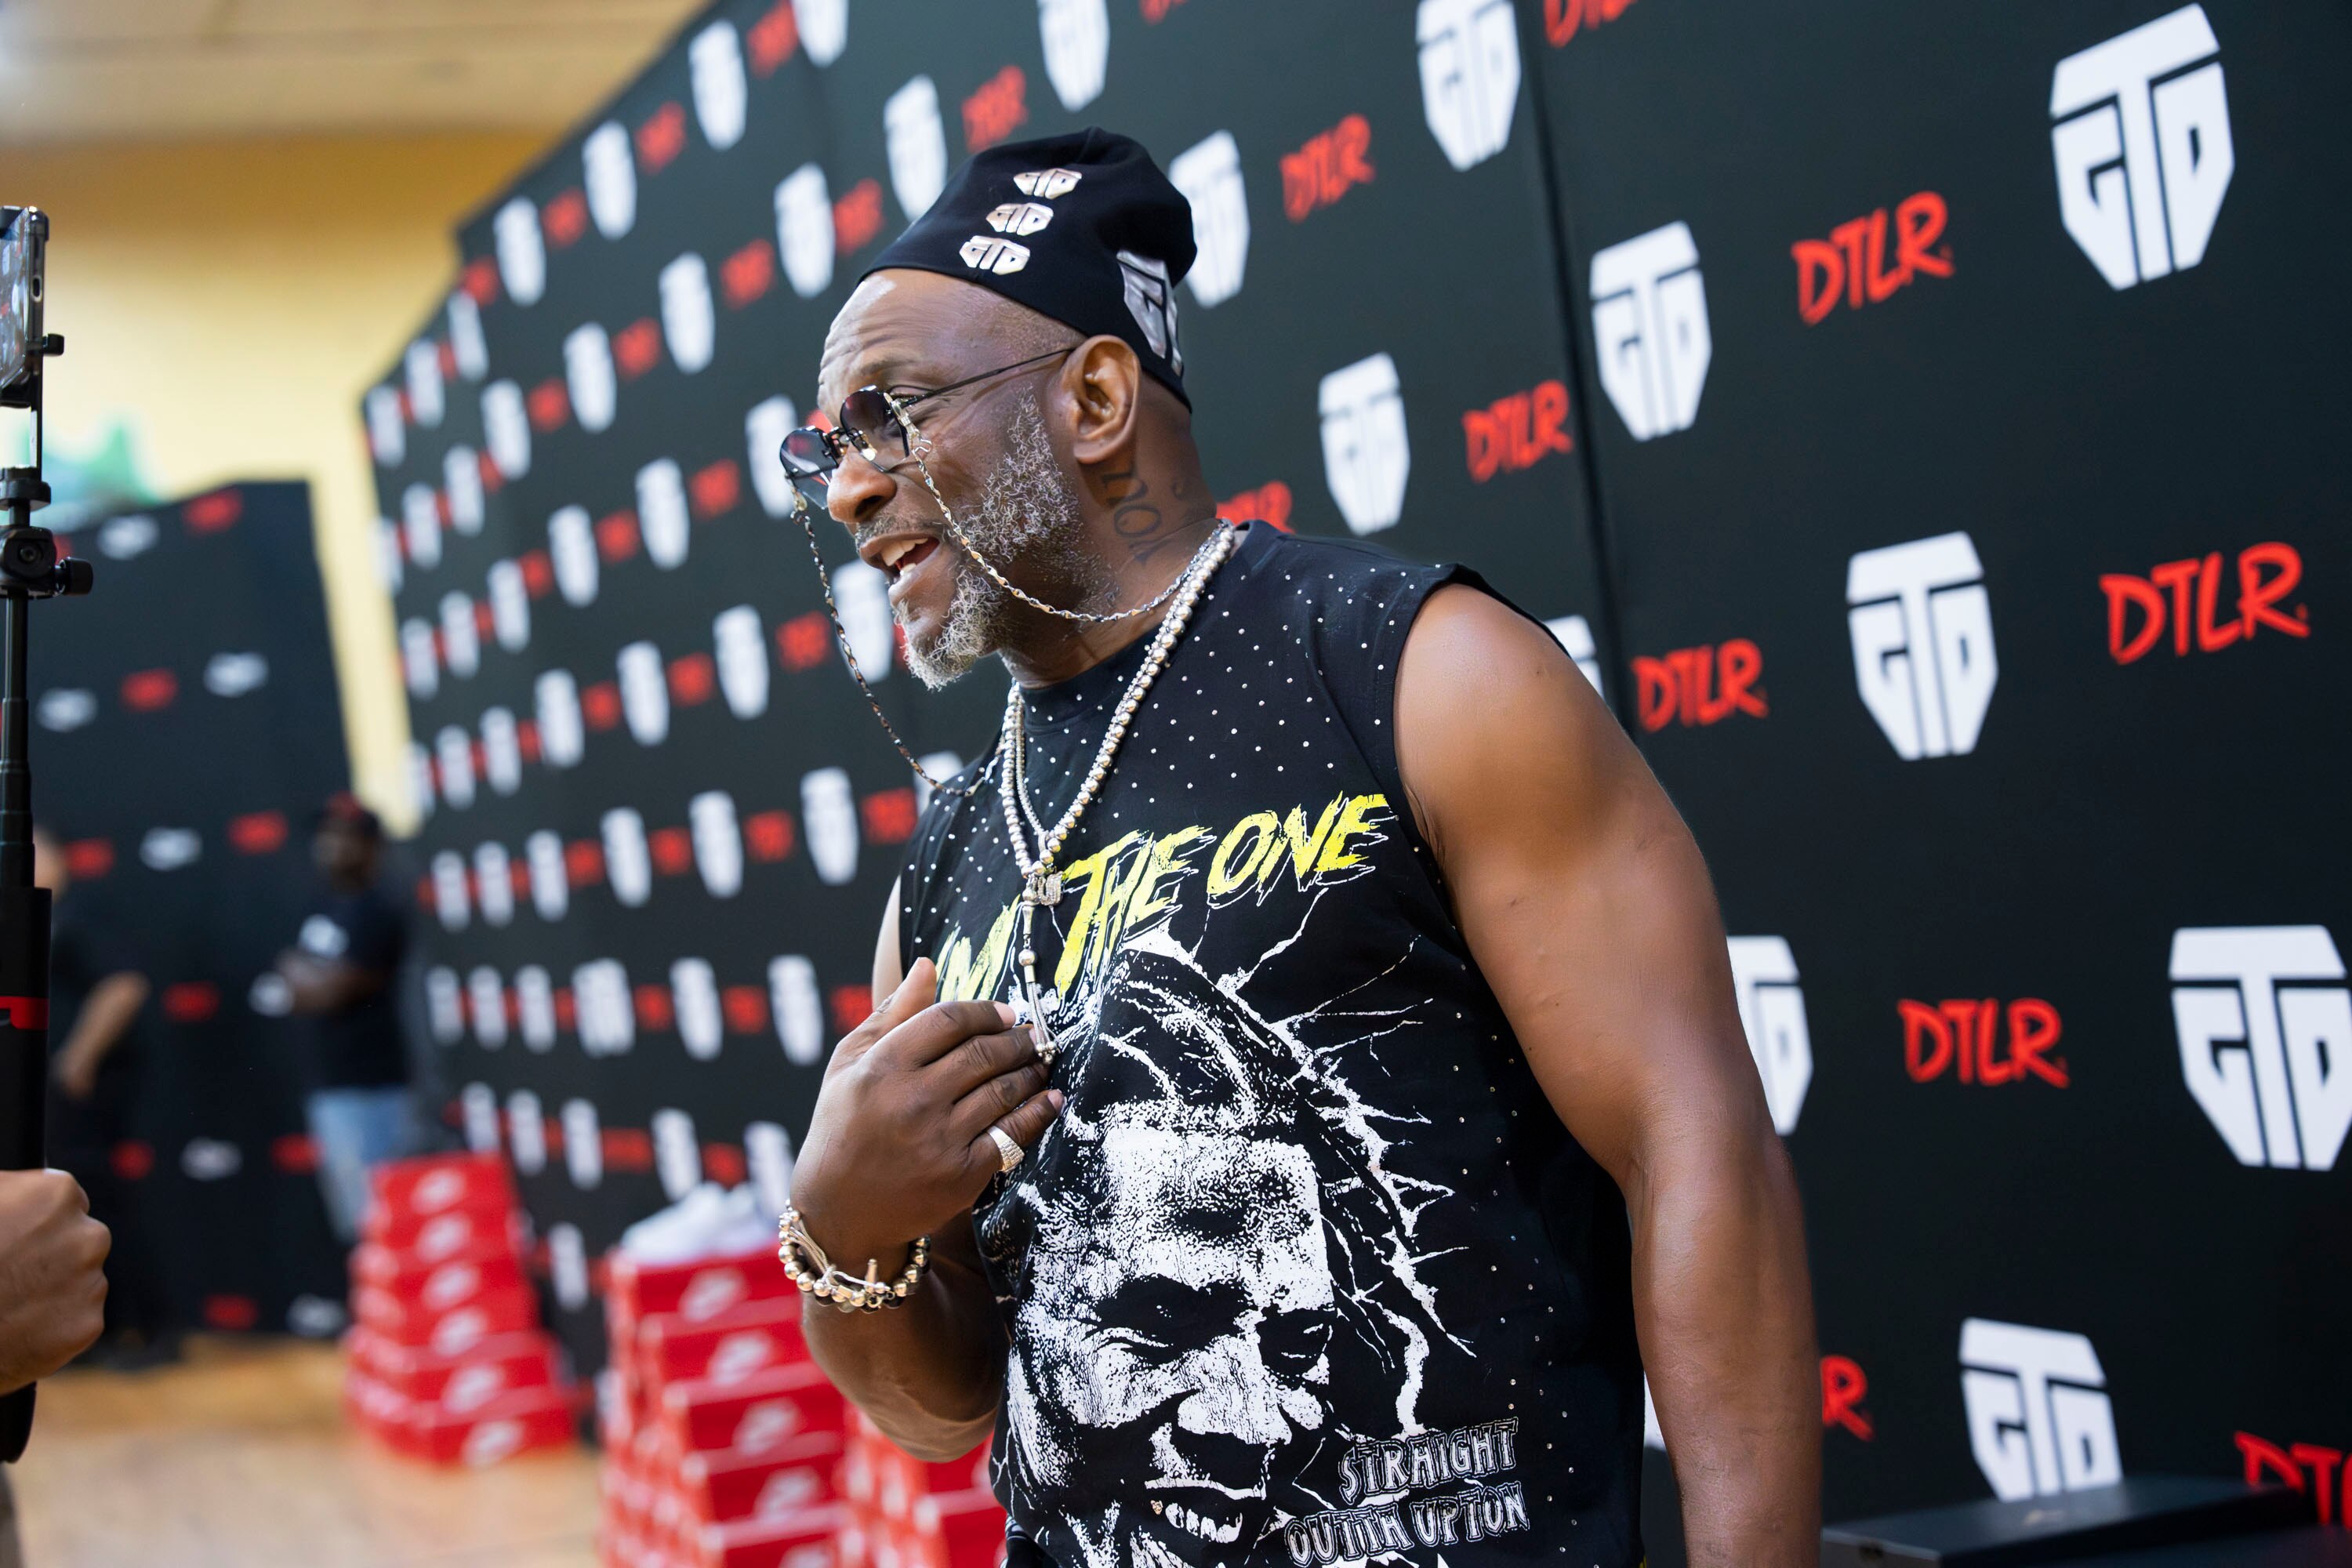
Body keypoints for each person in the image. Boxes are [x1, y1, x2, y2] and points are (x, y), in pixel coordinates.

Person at [781, 130, 1818, 1567]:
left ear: (1094, 398)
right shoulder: (951, 861)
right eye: (826, 447)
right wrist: (846, 1238)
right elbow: (947, 1411)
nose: (848, 488)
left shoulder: (1417, 675)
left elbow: (1691, 1145)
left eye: (892, 415)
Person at [32, 825, 163, 1363]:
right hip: (53, 1097)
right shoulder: (42, 921)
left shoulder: (80, 915)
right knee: (68, 1210)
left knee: (98, 1207)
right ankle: (96, 1335)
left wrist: (78, 1057)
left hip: (84, 1092)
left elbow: (124, 984)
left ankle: (148, 1330)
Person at [274, 794, 413, 1242]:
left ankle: (401, 1307)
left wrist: (311, 979)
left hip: (373, 1083)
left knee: (383, 1213)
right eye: (327, 835)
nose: (332, 845)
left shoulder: (379, 906)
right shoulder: (319, 905)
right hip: (328, 1080)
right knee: (354, 1215)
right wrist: (310, 979)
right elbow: (290, 974)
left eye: (346, 836)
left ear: (372, 847)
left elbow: (334, 989)